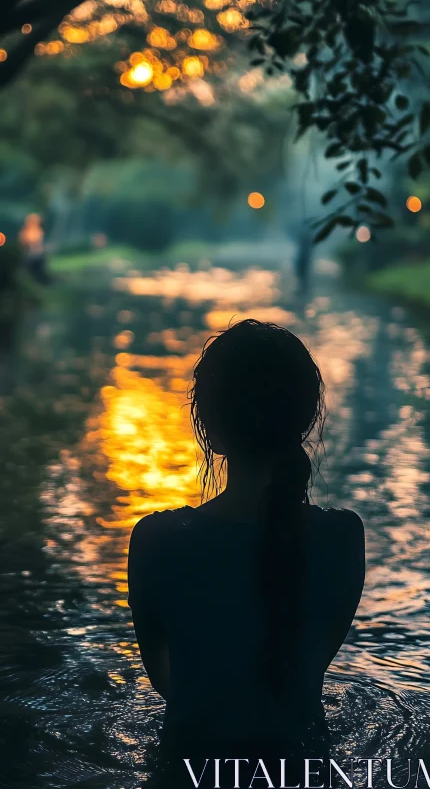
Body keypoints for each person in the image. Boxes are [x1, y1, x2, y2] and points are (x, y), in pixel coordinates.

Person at [128, 319, 365, 785]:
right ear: (305, 420)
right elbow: (312, 659)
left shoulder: (157, 540)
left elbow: (166, 682)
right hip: (304, 768)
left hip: (186, 768)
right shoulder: (343, 537)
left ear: (210, 430)